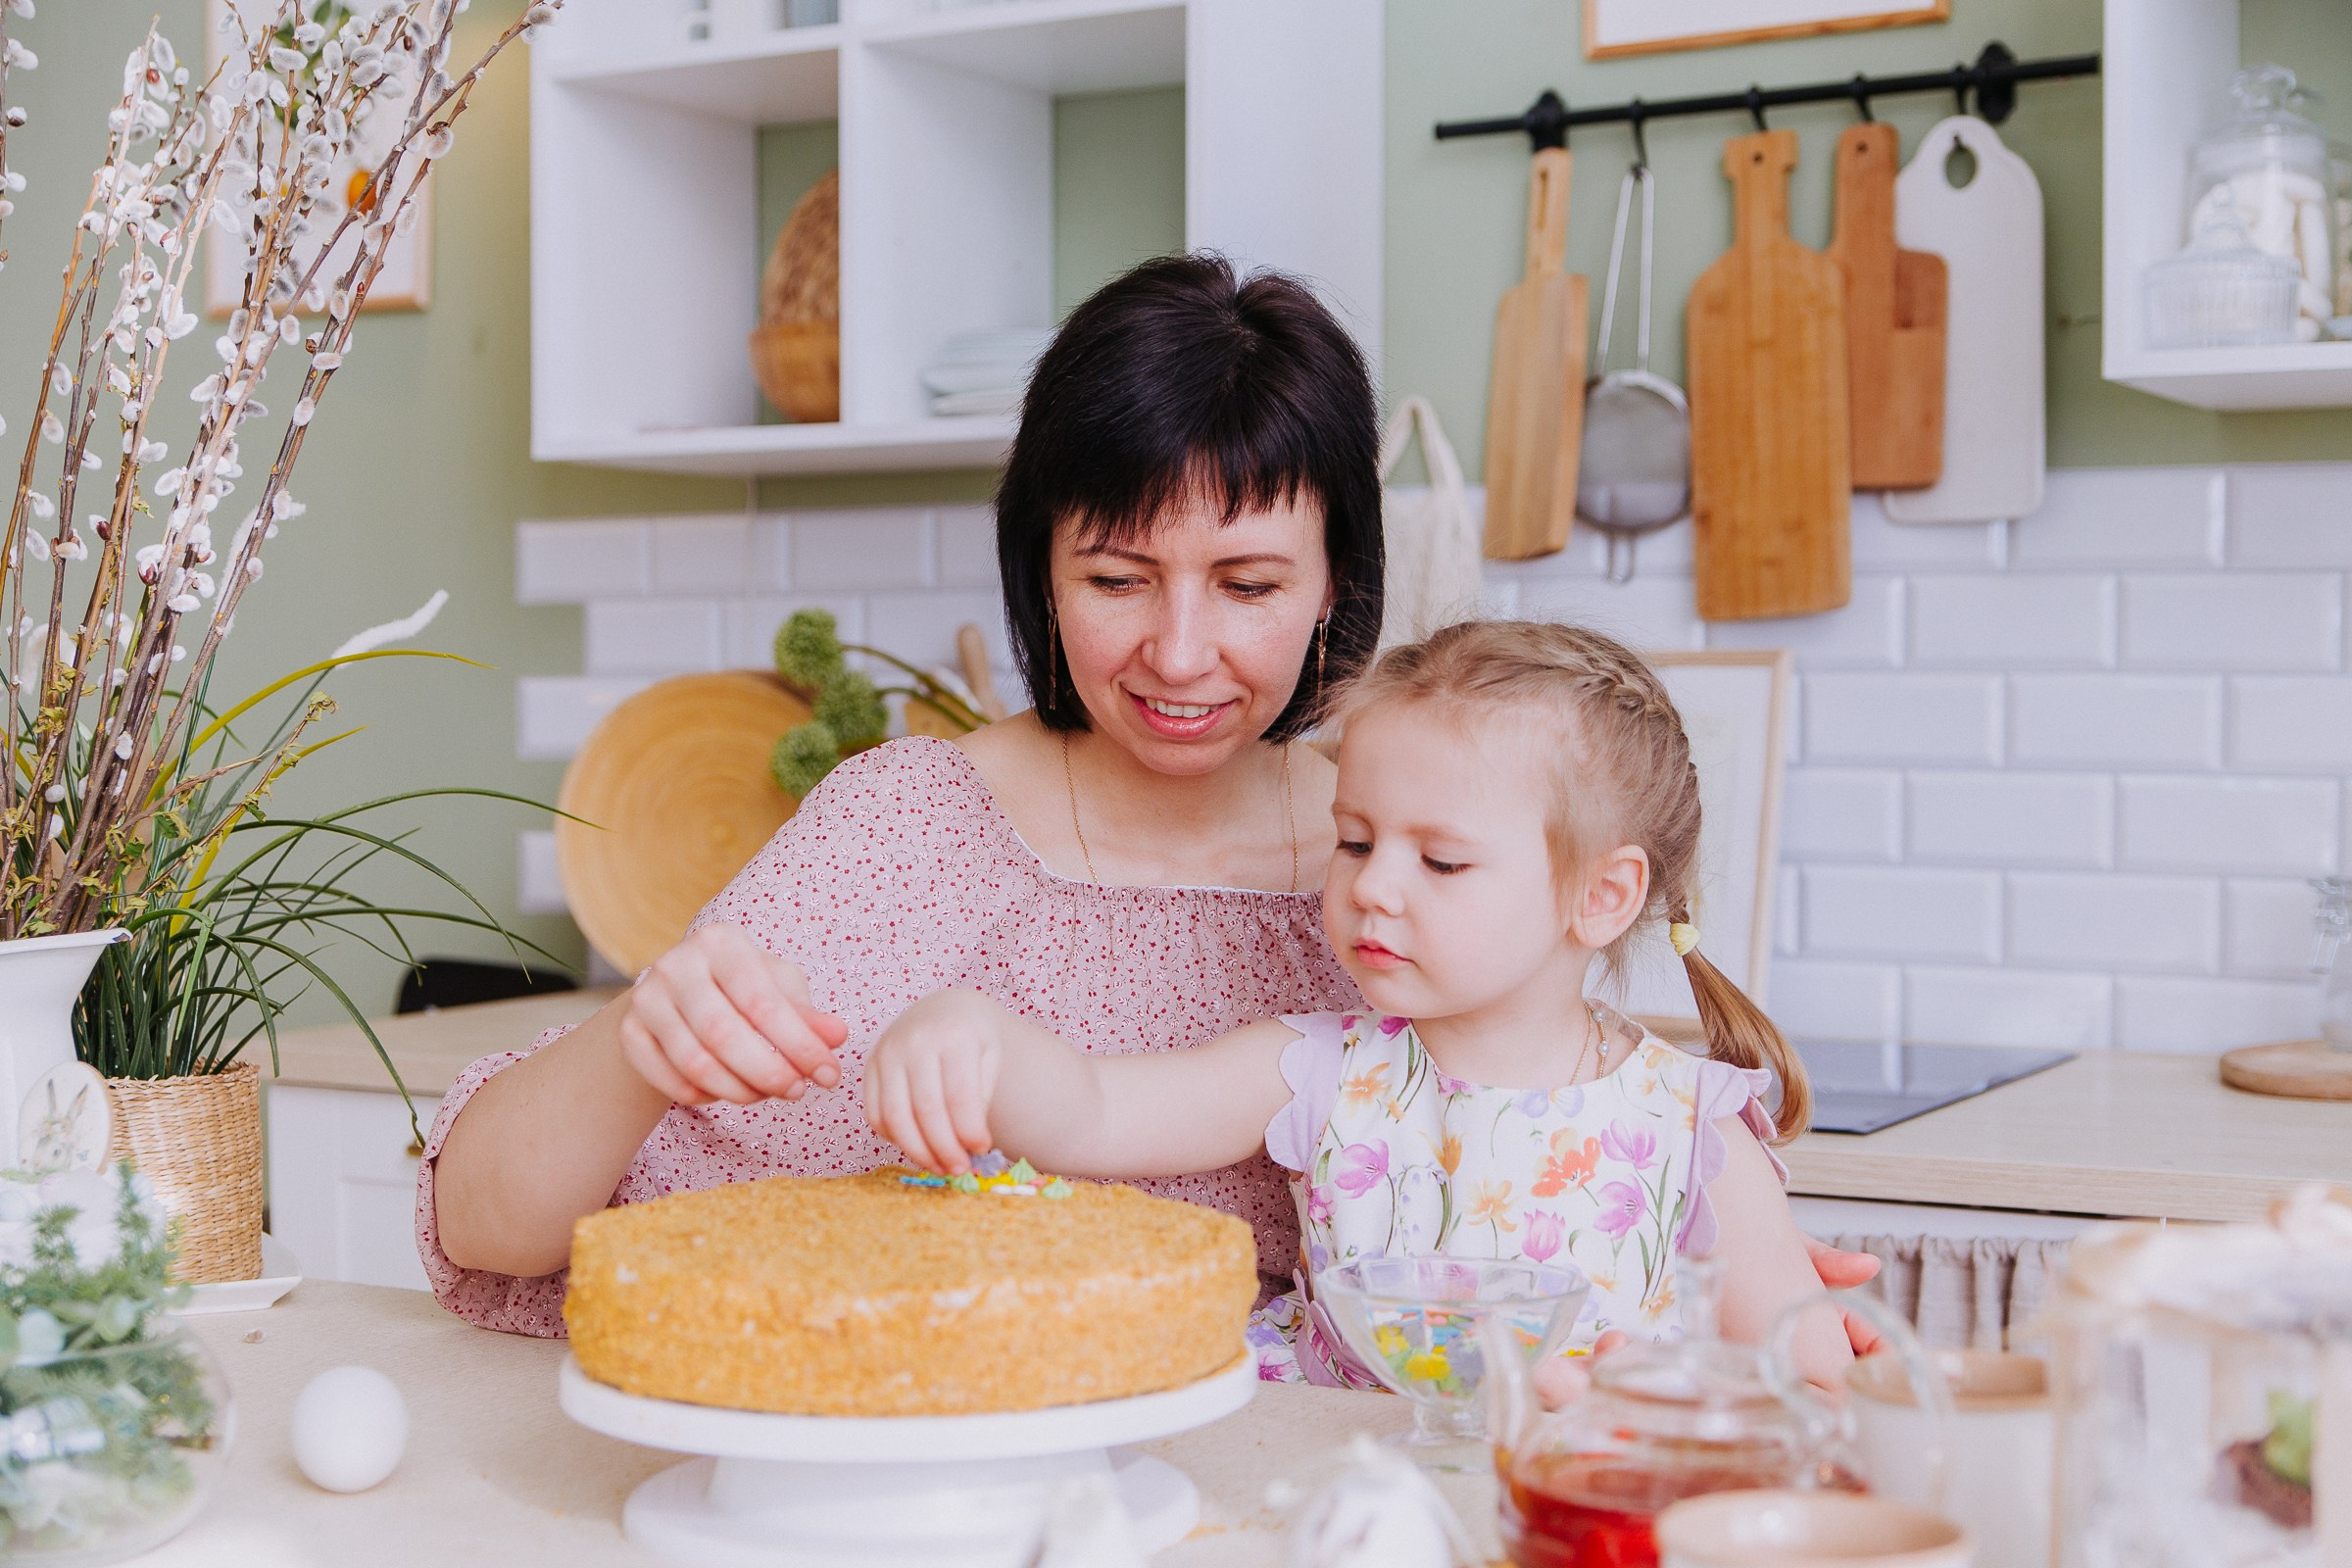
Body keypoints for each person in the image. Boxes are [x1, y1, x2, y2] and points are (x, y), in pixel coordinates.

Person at [420, 253, 1881, 1343]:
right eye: (1116, 580)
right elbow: (481, 1220)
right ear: (1042, 574)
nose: (1180, 654)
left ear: (1334, 586)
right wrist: (640, 1038)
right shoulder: (910, 823)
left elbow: (1568, 1146)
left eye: (1247, 585)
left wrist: (1724, 1275)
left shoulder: (1403, 887)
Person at [866, 620, 1850, 1390]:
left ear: (1602, 895)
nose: (1375, 886)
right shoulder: (1317, 1069)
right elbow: (1096, 1109)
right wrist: (976, 1037)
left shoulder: (1691, 1126)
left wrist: (1655, 1400)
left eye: (1441, 859)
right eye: (1354, 840)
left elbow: (1813, 1381)